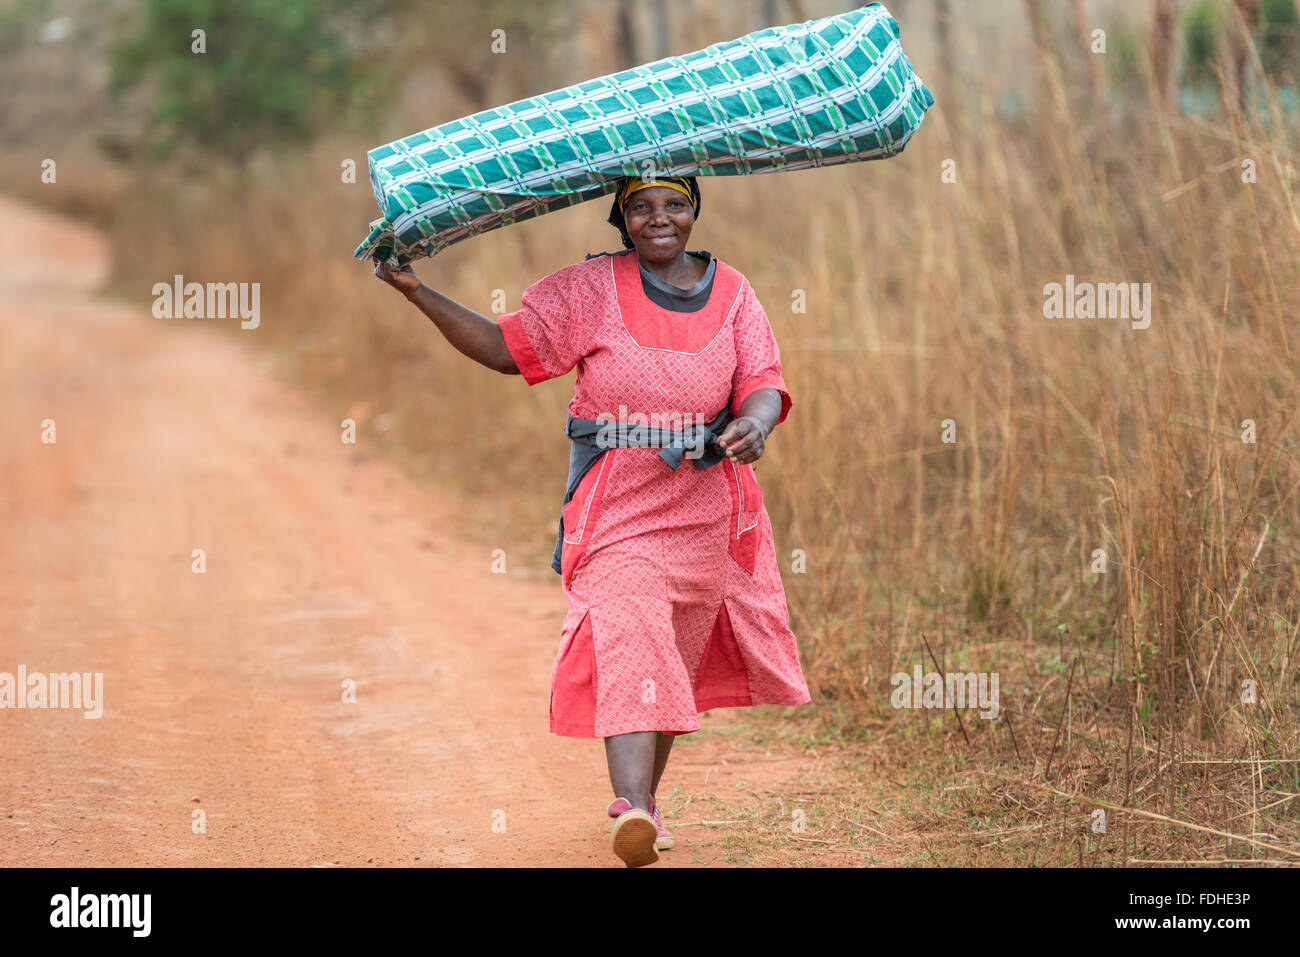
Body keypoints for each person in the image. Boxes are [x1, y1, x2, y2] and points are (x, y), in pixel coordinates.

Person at [375, 174, 810, 867]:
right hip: (620, 503)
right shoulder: (588, 291)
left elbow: (762, 379)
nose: (658, 219)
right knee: (633, 628)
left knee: (675, 656)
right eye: (641, 207)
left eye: (673, 204)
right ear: (621, 217)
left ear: (694, 210)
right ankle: (630, 807)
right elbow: (503, 350)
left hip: (709, 504)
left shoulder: (735, 293)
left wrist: (755, 424)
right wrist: (418, 291)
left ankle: (648, 805)